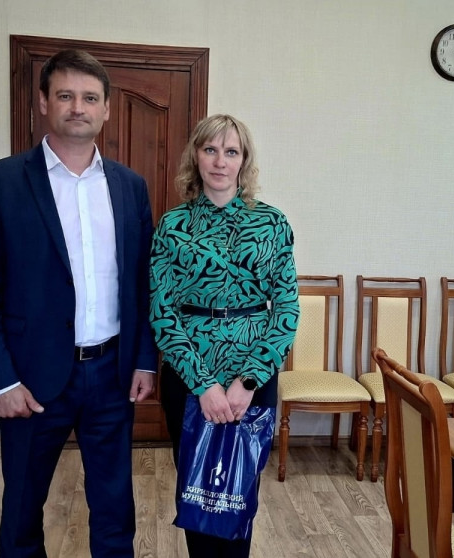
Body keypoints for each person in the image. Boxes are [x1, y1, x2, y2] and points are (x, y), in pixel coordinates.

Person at [0, 49, 157, 558]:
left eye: (90, 98)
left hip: (112, 376)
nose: (78, 107)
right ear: (44, 102)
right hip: (30, 381)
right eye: (66, 95)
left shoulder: (130, 188)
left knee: (115, 512)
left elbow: (143, 284)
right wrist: (0, 382)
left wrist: (143, 359)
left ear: (106, 109)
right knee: (22, 512)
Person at [149, 114, 300, 557]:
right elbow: (162, 313)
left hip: (253, 379)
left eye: (231, 151)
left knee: (238, 492)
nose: (220, 161)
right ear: (195, 156)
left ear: (243, 160)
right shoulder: (173, 226)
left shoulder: (271, 224)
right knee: (198, 489)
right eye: (210, 150)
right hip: (189, 378)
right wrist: (205, 386)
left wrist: (247, 381)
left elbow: (286, 309)